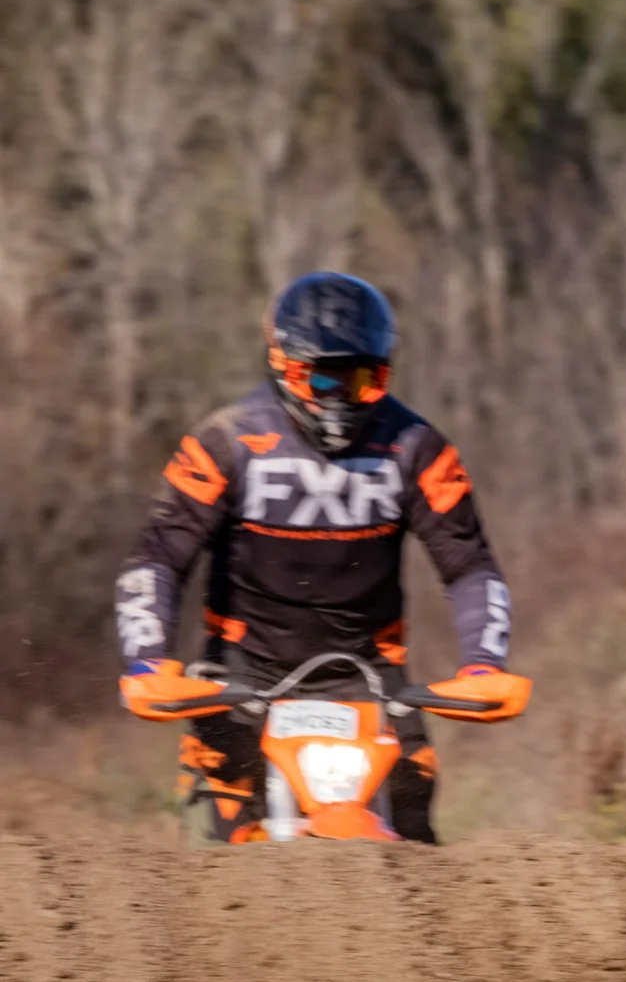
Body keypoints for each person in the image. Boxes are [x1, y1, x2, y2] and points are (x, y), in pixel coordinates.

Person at [114, 272, 530, 843]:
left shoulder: (417, 449)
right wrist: (147, 660)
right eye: (322, 378)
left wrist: (484, 665)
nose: (340, 399)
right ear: (282, 366)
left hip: (369, 677)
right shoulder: (224, 442)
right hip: (242, 678)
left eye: (361, 380)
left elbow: (469, 567)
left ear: (384, 374)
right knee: (226, 849)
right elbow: (159, 558)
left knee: (413, 830)